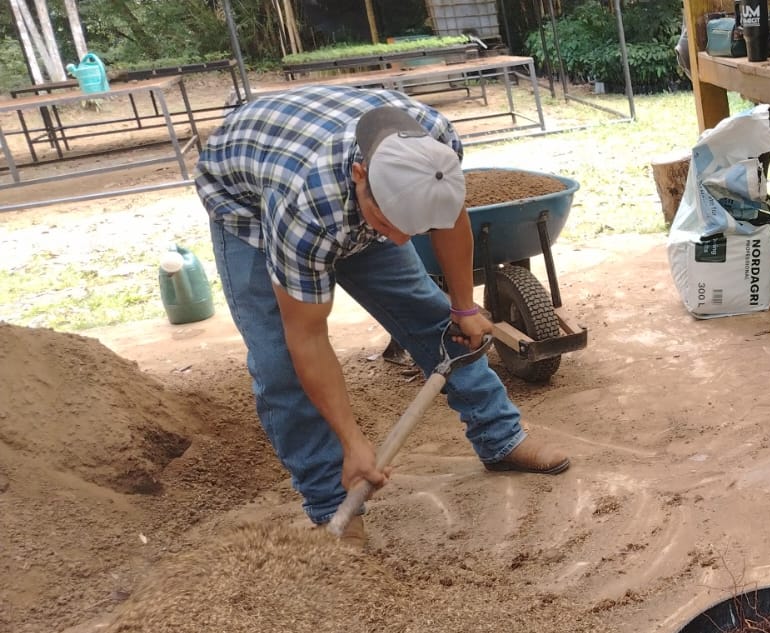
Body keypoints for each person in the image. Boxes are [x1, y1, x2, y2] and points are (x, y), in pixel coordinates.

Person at [197, 85, 570, 545]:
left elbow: (450, 218)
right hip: (248, 202)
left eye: (410, 227)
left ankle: (501, 437)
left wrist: (464, 307)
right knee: (279, 363)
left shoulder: (435, 145)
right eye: (387, 224)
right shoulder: (306, 206)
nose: (399, 241)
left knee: (432, 316)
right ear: (360, 176)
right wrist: (353, 443)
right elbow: (306, 338)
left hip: (331, 184)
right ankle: (332, 503)